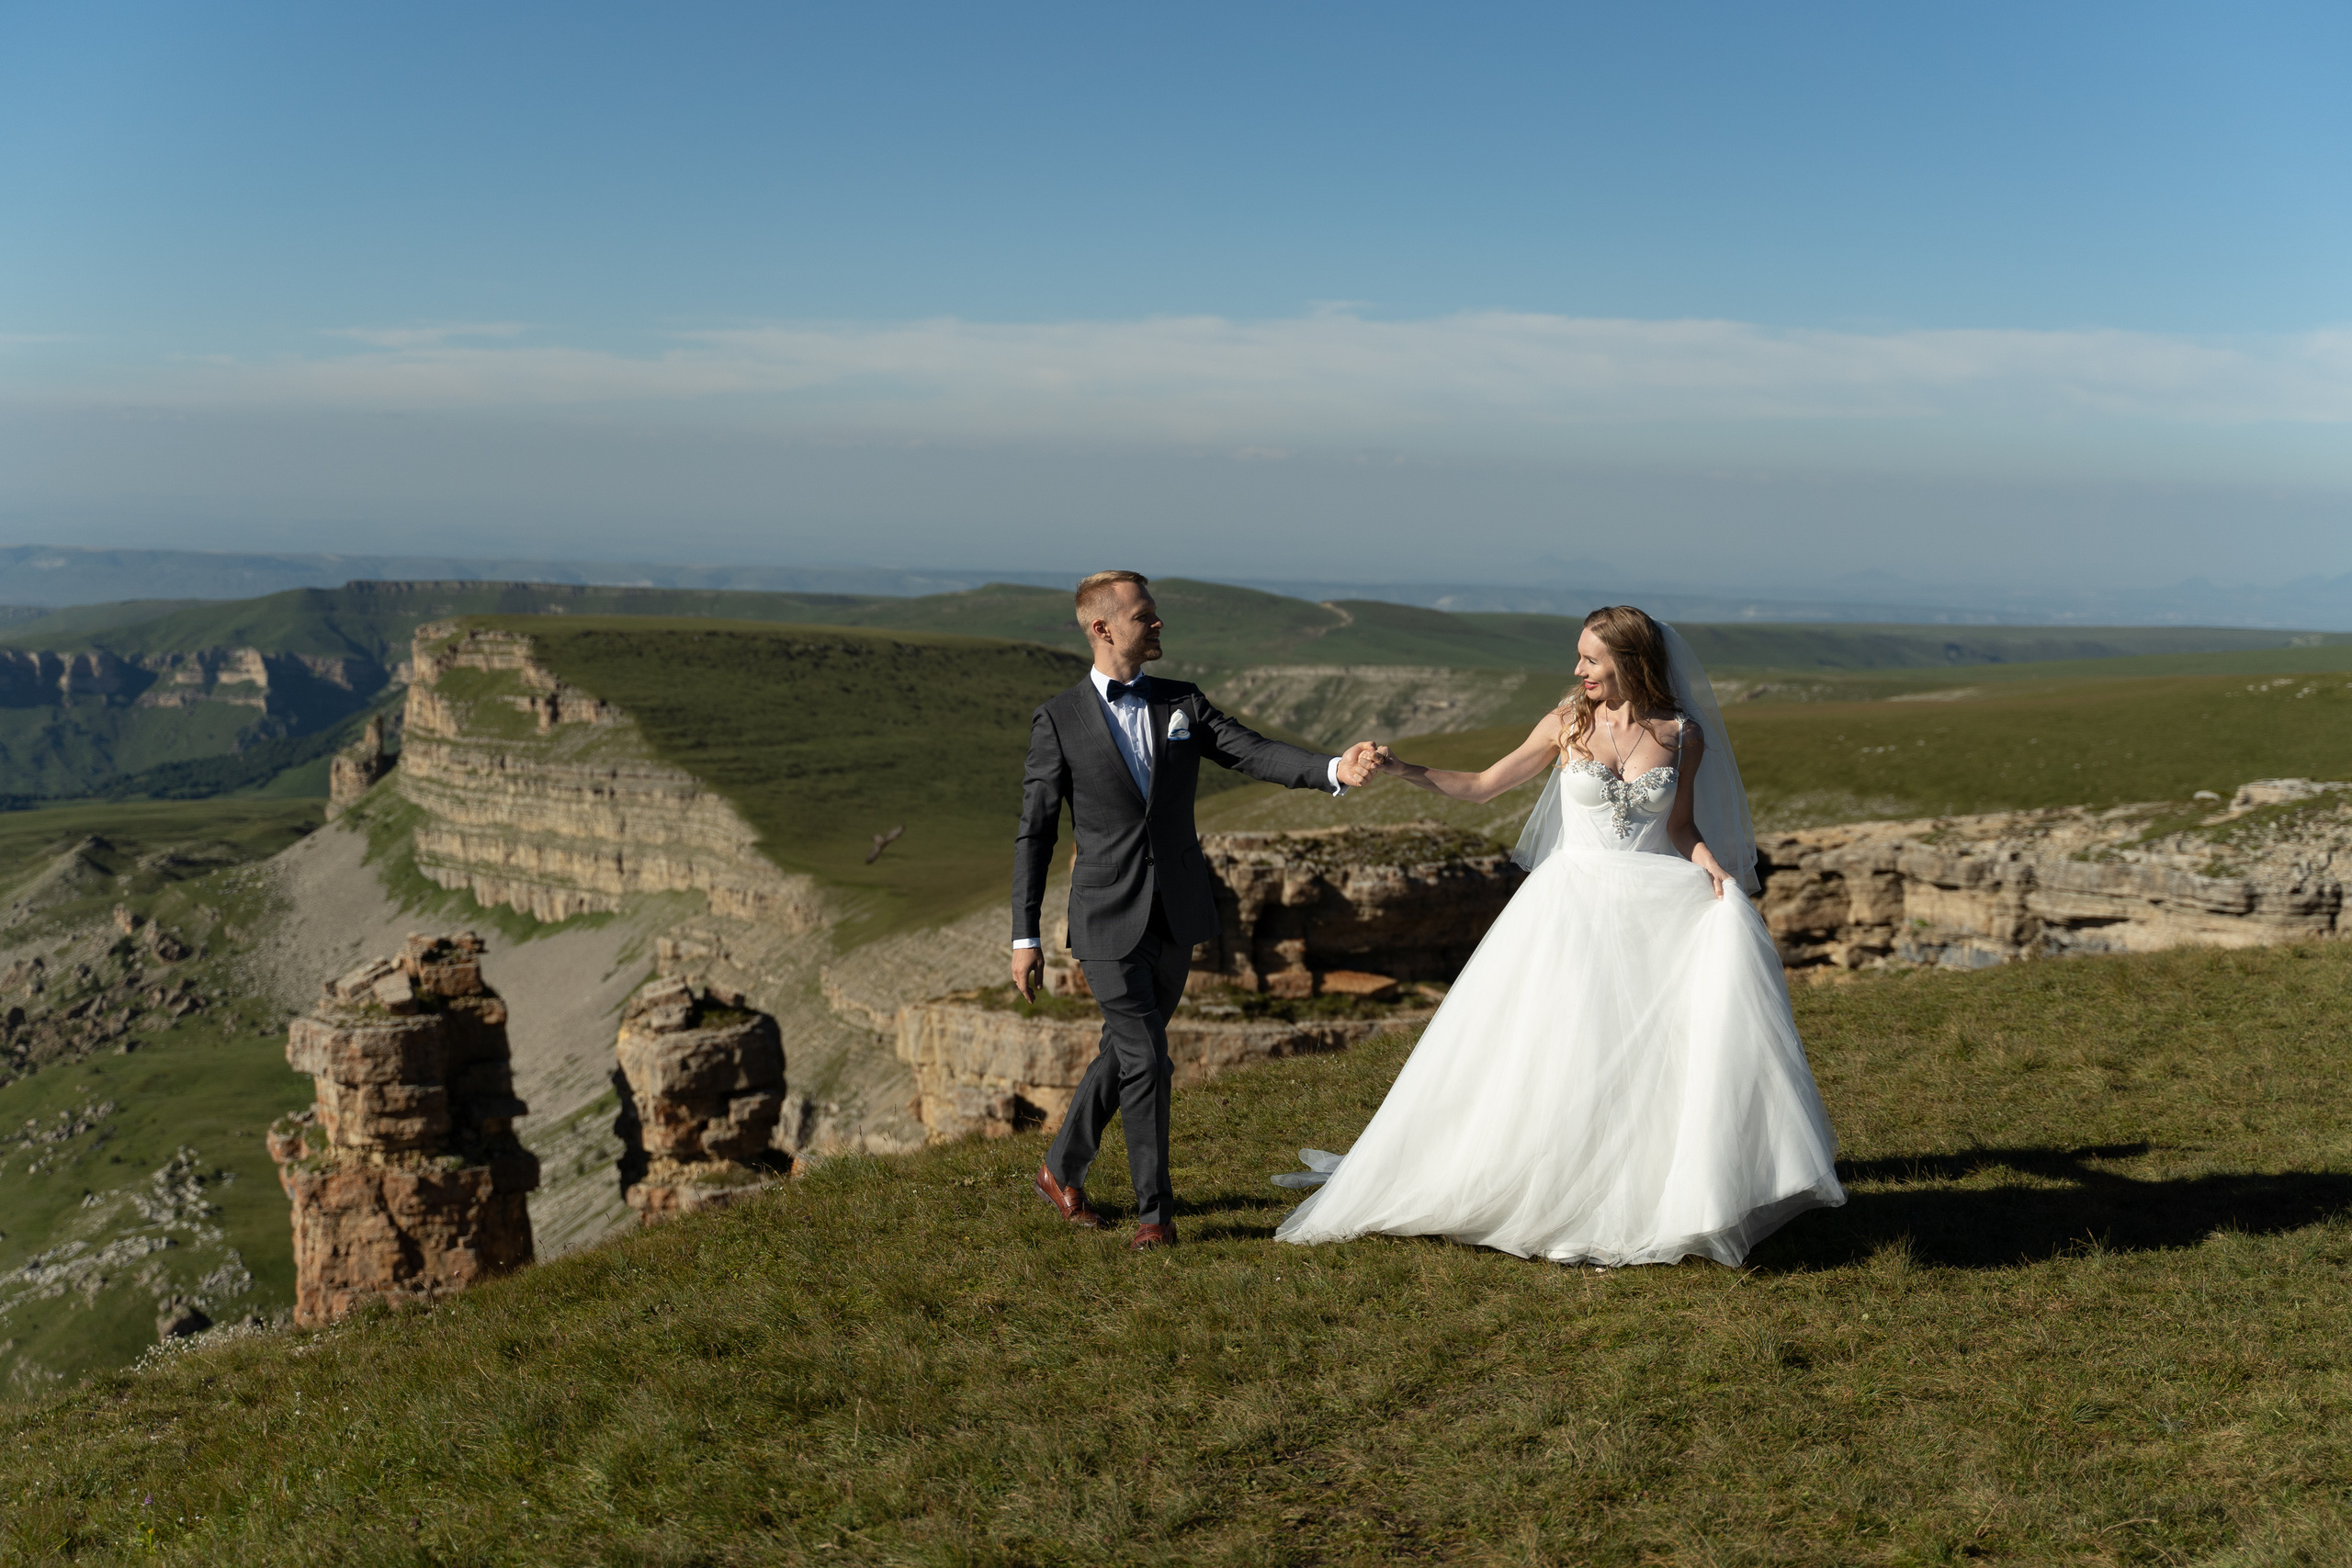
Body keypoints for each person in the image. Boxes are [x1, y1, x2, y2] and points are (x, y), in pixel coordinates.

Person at [1272, 605, 1845, 1267]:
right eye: (1580, 657)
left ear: (1631, 664)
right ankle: (1540, 1181)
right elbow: (1485, 785)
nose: (1578, 670)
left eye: (1592, 660)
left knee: (1642, 1059)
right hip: (1570, 907)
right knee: (1563, 1046)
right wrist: (1403, 769)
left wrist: (1710, 864)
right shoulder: (1568, 721)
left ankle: (1637, 1191)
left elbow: (1681, 827)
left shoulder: (1683, 735)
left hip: (1651, 911)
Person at [1012, 570, 1382, 1250]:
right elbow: (1034, 832)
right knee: (1148, 1057)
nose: (1158, 626)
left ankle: (1058, 1169)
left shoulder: (1182, 702)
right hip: (1104, 918)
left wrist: (1334, 768)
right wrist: (1023, 934)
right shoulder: (1057, 720)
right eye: (1145, 617)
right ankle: (1156, 1213)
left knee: (1121, 1053)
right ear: (1102, 627)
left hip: (1177, 910)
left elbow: (1251, 751)